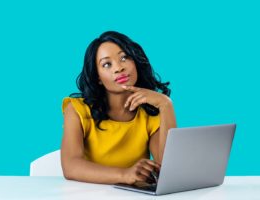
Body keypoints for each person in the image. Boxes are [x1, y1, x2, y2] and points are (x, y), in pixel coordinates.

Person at [61, 31, 177, 185]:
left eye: (124, 58)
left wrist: (166, 105)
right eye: (107, 64)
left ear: (135, 62)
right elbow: (71, 167)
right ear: (98, 78)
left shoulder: (150, 114)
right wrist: (125, 175)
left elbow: (169, 169)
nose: (119, 68)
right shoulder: (77, 110)